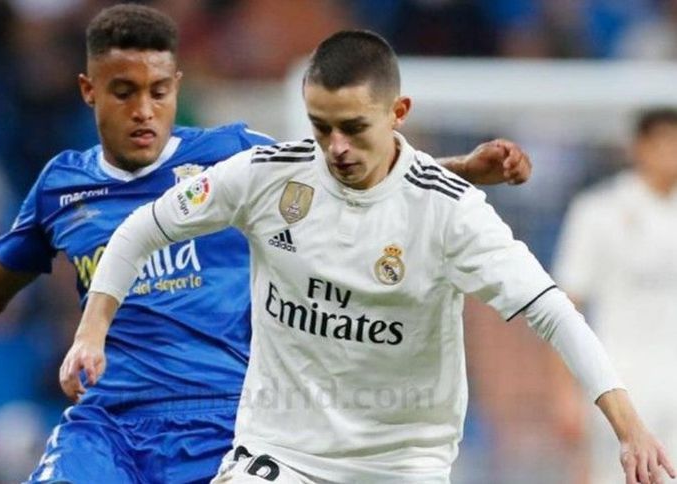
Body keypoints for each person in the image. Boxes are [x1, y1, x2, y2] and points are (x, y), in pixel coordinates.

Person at [0, 5, 531, 483]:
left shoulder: (232, 157)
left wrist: (465, 169)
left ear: (176, 85)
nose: (144, 109)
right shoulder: (64, 186)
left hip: (227, 426)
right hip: (110, 428)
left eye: (159, 90)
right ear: (88, 90)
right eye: (123, 90)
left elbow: (351, 173)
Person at [67, 29, 675, 484]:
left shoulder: (450, 210)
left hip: (402, 464)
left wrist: (629, 430)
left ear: (398, 113)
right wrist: (92, 330)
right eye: (320, 126)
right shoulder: (266, 176)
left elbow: (553, 311)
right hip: (282, 452)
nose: (335, 147)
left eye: (354, 128)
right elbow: (142, 228)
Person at [554, 107, 677, 484]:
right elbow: (564, 308)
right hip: (619, 384)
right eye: (664, 143)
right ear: (639, 147)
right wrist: (564, 393)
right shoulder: (598, 211)